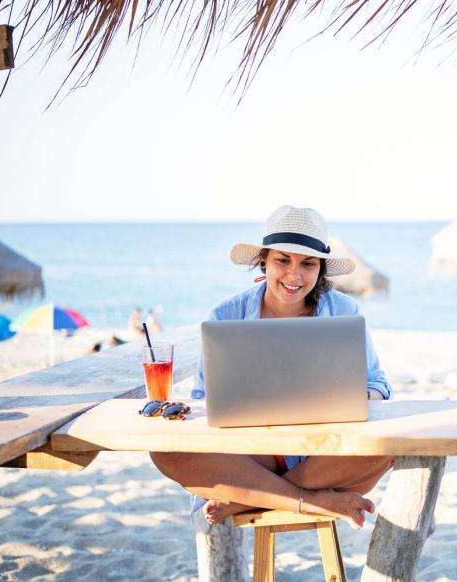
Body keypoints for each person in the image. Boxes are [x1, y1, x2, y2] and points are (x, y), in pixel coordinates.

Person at [150, 206, 393, 529]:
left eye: (307, 263)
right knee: (165, 451)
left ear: (320, 269)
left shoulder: (344, 310)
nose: (294, 275)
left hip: (322, 452)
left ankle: (252, 496)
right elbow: (203, 397)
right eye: (283, 260)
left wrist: (352, 396)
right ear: (264, 260)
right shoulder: (226, 314)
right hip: (252, 454)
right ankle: (312, 500)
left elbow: (379, 384)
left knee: (389, 448)